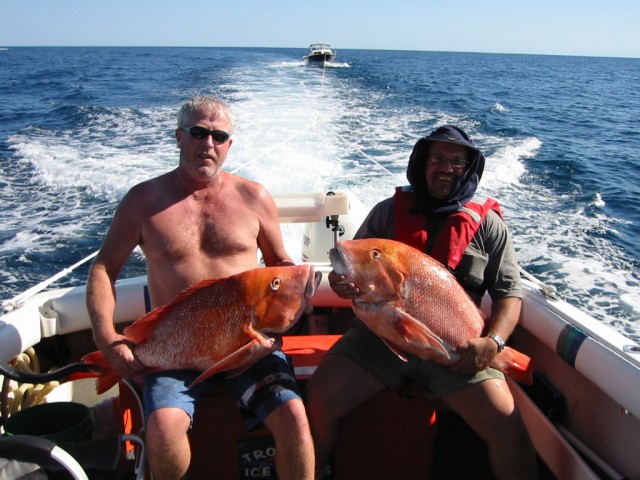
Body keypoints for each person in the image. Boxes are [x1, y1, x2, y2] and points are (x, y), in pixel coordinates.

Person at [86, 96, 314, 480]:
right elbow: (104, 268)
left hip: (248, 346)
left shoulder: (254, 197)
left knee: (294, 417)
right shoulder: (143, 201)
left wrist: (295, 293)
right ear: (179, 137)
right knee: (162, 429)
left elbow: (280, 262)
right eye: (198, 132)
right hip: (177, 348)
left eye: (218, 135)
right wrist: (107, 338)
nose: (207, 143)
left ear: (229, 145)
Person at [305, 125, 538, 479]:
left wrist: (494, 342)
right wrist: (342, 284)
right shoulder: (387, 212)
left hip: (456, 347)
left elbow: (509, 292)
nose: (446, 168)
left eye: (456, 161)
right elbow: (350, 268)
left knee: (509, 428)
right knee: (319, 398)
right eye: (438, 158)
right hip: (378, 337)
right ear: (422, 163)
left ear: (469, 168)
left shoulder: (488, 225)